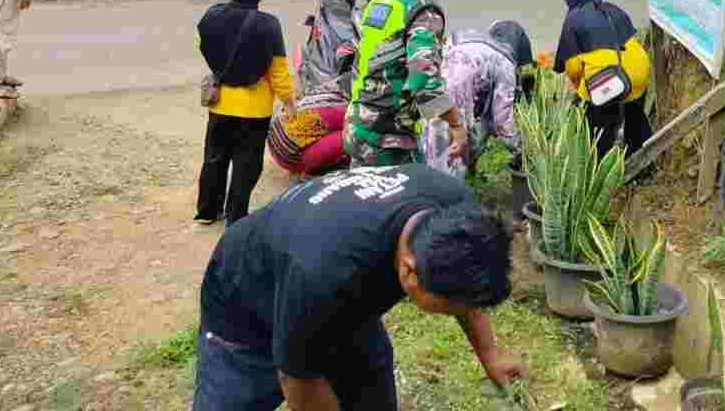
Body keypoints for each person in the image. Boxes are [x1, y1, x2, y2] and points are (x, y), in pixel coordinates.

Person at [193, 164, 527, 411]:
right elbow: (300, 382)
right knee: (237, 397)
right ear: (409, 271)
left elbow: (469, 291)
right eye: (448, 308)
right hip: (246, 302)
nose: (461, 312)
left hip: (340, 292)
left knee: (371, 393)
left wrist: (490, 356)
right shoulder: (324, 274)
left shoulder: (457, 208)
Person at [345, 0, 469, 170]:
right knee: (407, 202)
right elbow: (424, 83)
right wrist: (456, 125)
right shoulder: (424, 12)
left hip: (357, 124)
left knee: (362, 199)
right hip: (388, 138)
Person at [196, 0, 296, 225]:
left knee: (215, 158)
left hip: (220, 104)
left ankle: (207, 211)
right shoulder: (269, 25)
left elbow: (206, 44)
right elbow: (278, 72)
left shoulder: (212, 16)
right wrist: (289, 102)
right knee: (246, 164)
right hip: (254, 109)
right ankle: (235, 215)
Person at [554, 0, 653, 158]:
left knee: (599, 127)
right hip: (640, 73)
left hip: (609, 82)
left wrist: (582, 92)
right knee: (634, 114)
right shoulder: (614, 9)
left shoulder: (573, 20)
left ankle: (599, 163)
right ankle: (643, 156)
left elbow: (573, 69)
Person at [420, 21, 533, 179]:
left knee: (431, 147)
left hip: (431, 92)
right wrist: (521, 146)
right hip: (455, 103)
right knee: (451, 166)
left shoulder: (473, 39)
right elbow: (502, 122)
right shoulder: (505, 64)